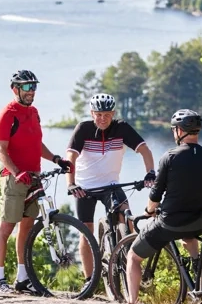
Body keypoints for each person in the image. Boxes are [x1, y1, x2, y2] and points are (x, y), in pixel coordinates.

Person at [125, 108, 202, 304]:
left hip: (169, 223)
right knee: (189, 236)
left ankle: (132, 303)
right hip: (198, 222)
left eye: (174, 130)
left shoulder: (170, 157)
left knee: (133, 257)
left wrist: (148, 212)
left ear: (180, 131)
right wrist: (198, 203)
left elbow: (155, 195)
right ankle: (198, 267)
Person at [0, 69, 72, 293]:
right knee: (6, 227)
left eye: (34, 87)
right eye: (26, 87)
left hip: (34, 177)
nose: (31, 91)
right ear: (15, 89)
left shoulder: (34, 113)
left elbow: (37, 145)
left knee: (26, 229)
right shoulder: (7, 114)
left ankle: (22, 279)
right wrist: (17, 172)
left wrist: (56, 159)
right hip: (14, 179)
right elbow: (1, 151)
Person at [65, 93, 156, 278]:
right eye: (98, 114)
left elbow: (145, 151)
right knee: (86, 232)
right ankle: (89, 279)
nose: (102, 119)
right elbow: (71, 157)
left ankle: (129, 259)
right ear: (92, 113)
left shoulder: (121, 128)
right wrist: (71, 184)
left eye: (106, 114)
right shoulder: (83, 129)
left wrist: (150, 173)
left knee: (128, 218)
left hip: (111, 186)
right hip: (85, 188)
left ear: (113, 113)